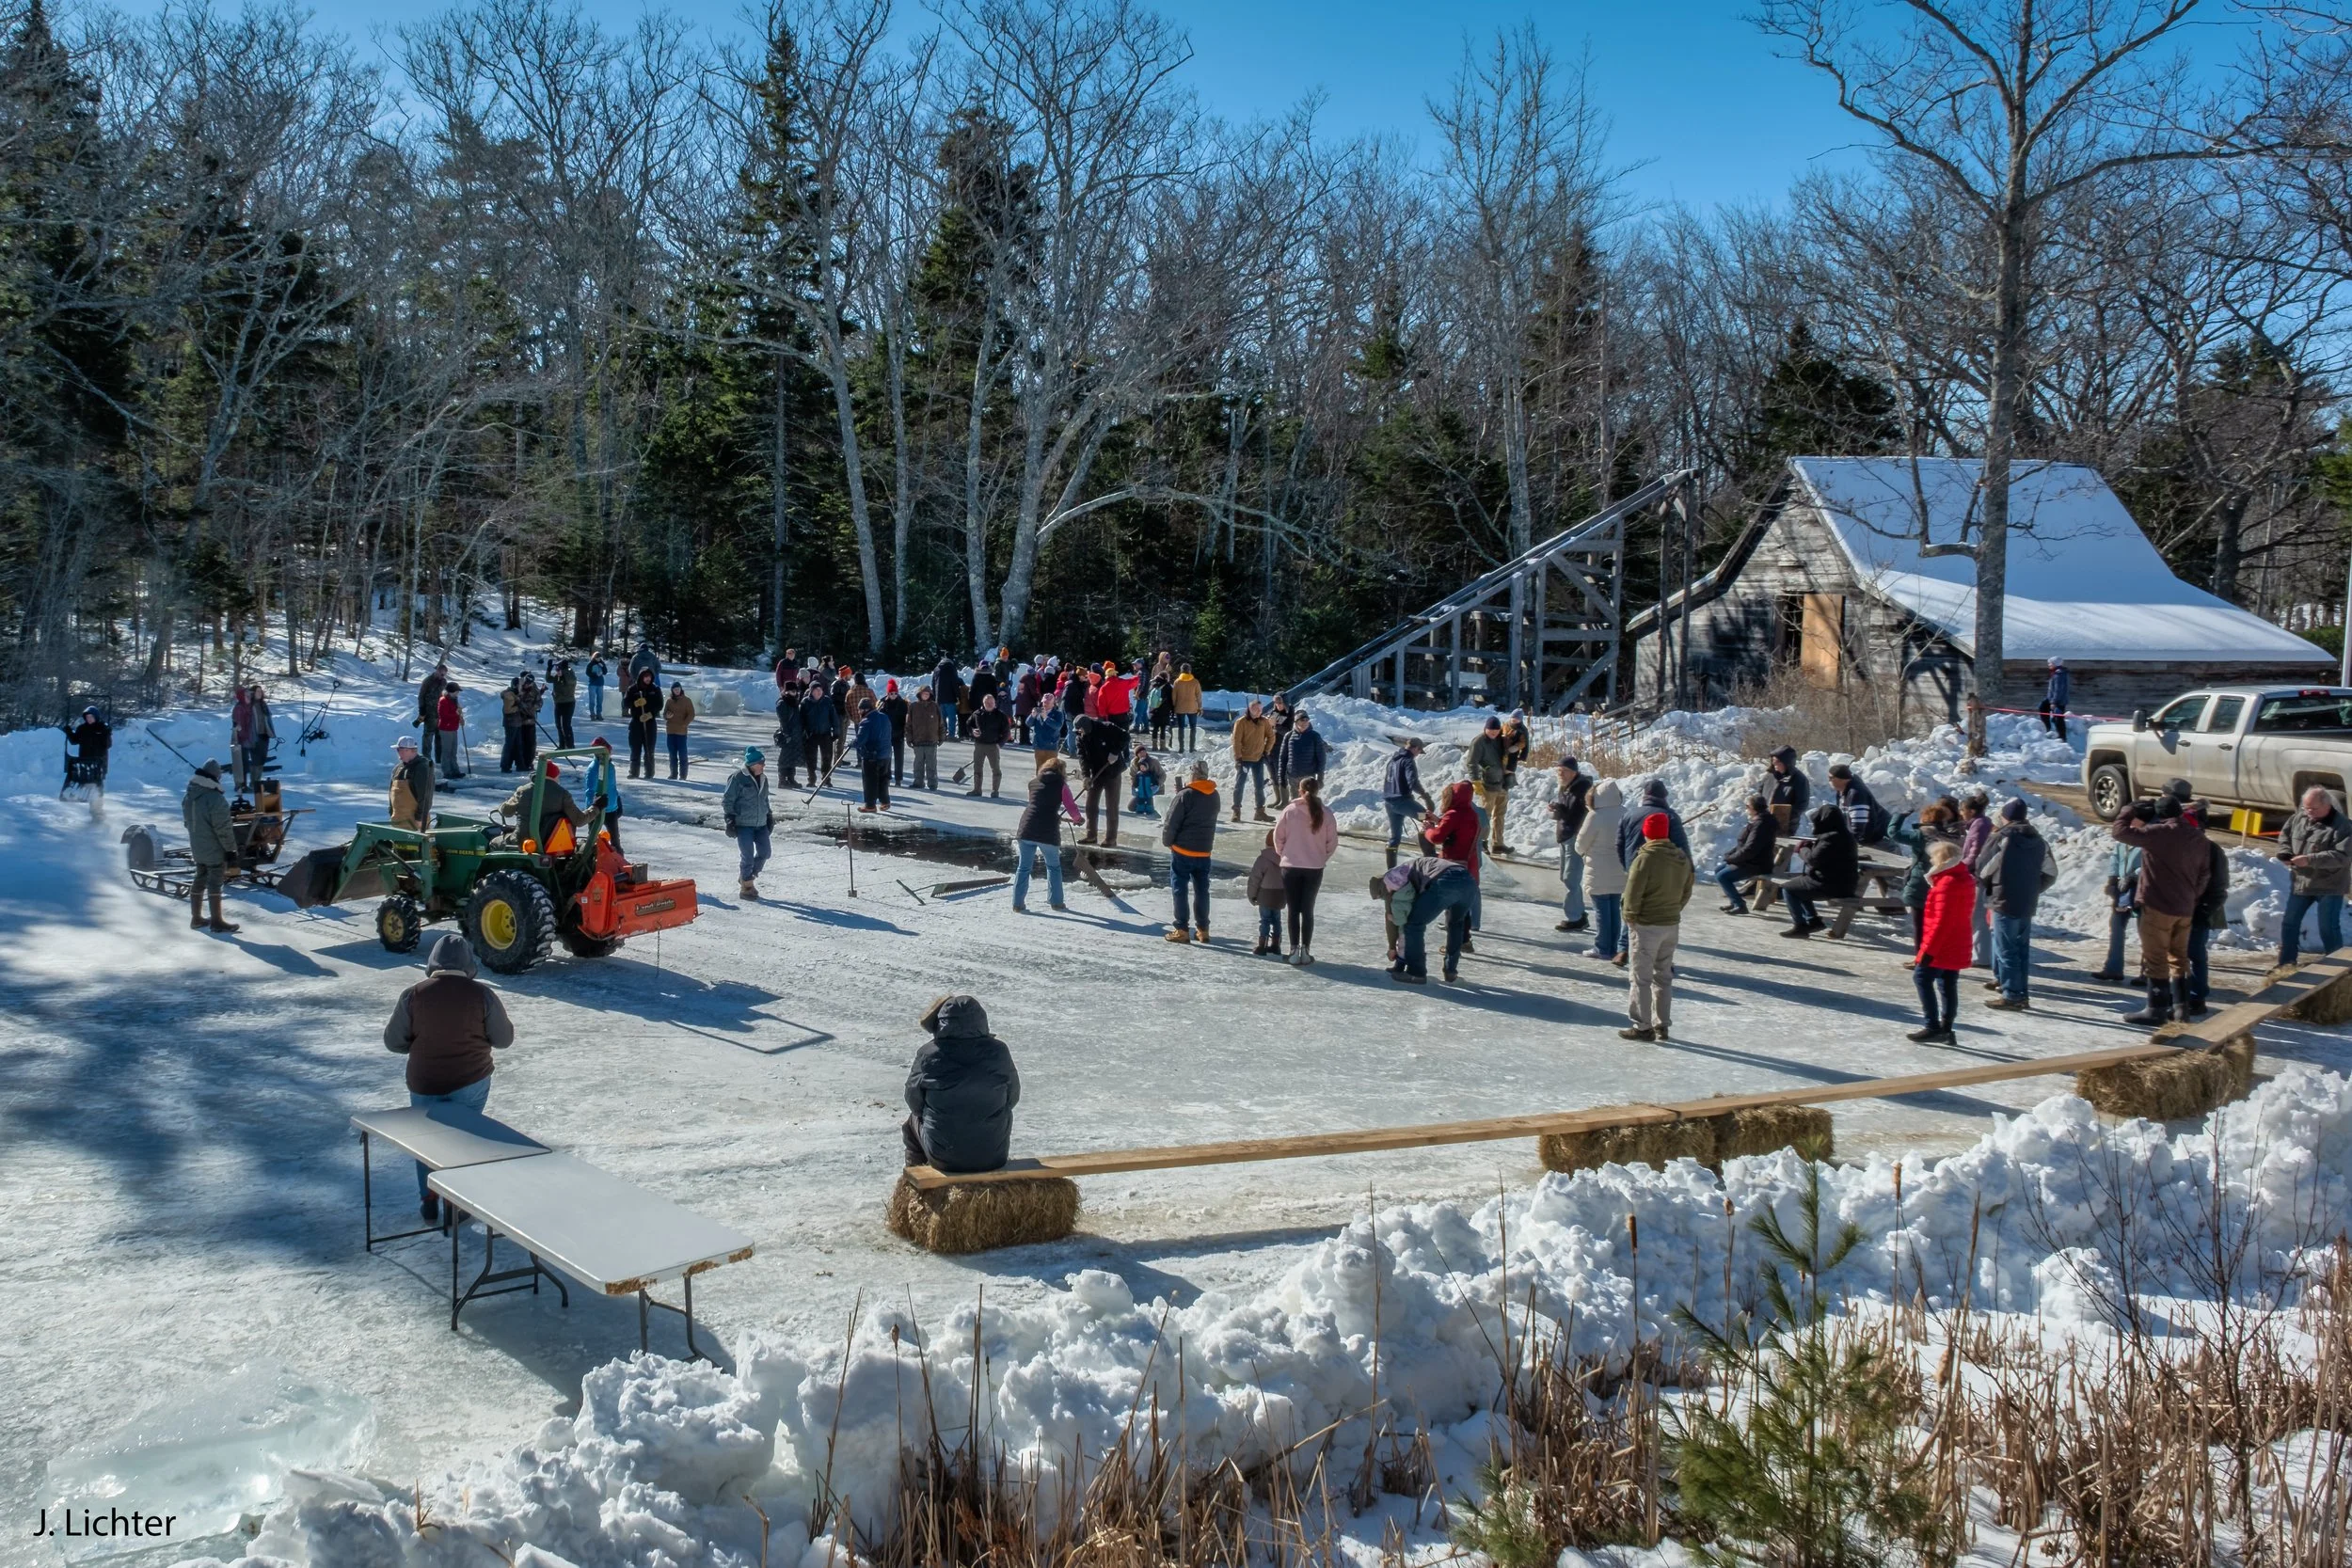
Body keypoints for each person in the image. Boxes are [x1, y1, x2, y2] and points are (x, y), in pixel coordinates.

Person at [384, 932, 516, 1221]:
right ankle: (458, 1204)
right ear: (469, 963)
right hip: (471, 1079)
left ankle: (428, 1199)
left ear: (432, 962)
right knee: (464, 1138)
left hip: (424, 1081)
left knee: (427, 1141)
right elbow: (504, 1039)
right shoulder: (482, 994)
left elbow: (394, 1042)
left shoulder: (414, 994)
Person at [2111, 794, 2211, 1028]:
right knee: (2179, 958)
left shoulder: (2158, 833)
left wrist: (2128, 810)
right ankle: (2181, 1009)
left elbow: (2119, 832)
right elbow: (2205, 874)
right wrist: (2192, 896)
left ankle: (2155, 1009)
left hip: (2157, 905)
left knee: (2156, 958)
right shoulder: (2199, 838)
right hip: (2185, 908)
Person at [901, 994, 1021, 1172]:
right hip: (994, 1157)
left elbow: (913, 1101)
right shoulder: (999, 1051)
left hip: (944, 1159)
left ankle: (917, 1183)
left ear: (942, 1022)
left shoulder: (928, 1054)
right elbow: (1012, 1098)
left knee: (911, 1123)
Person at [1975, 799, 2056, 1010]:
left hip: (2003, 899)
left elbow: (1983, 868)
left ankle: (2012, 995)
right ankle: (2018, 990)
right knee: (2019, 949)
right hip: (2026, 902)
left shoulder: (2001, 837)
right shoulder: (2038, 840)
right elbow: (2050, 872)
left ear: (2005, 817)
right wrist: (2031, 889)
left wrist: (1990, 886)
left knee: (2005, 948)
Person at [1620, 812, 1694, 1040]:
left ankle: (1642, 1026)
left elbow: (1633, 892)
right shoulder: (1681, 857)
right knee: (1663, 975)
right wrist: (1674, 909)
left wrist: (1630, 916)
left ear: (1646, 833)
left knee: (1641, 977)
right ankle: (1662, 1023)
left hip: (1647, 925)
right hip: (1671, 924)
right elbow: (1687, 889)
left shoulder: (1646, 858)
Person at [1910, 841, 1975, 1044]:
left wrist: (1928, 951)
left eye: (1933, 856)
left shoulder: (1947, 883)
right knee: (1948, 983)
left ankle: (1933, 1027)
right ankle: (1947, 1029)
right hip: (1957, 939)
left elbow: (1941, 921)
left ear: (1942, 858)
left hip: (1943, 943)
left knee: (1922, 978)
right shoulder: (1963, 877)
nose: (1930, 860)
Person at [2279, 784, 2350, 967]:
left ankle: (2336, 968)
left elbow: (2342, 857)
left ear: (2327, 806)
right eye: (2306, 808)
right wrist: (2285, 853)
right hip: (2301, 882)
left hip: (2330, 884)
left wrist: (2310, 860)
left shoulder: (2343, 826)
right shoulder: (2299, 817)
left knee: (2328, 928)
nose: (2308, 812)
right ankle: (2286, 963)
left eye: (2313, 809)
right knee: (2289, 923)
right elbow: (2285, 836)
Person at [1274, 776, 1339, 966]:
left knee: (1293, 909)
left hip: (1290, 866)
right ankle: (1306, 950)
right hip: (1314, 867)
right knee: (1307, 909)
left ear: (1299, 790)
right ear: (1318, 790)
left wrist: (1284, 854)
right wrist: (1320, 856)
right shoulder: (1326, 814)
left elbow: (1278, 837)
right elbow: (1332, 842)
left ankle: (1293, 950)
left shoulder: (1290, 811)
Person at [1384, 855, 1476, 985]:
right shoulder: (1415, 865)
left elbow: (1409, 894)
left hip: (1445, 881)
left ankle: (1416, 973)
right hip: (1469, 882)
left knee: (1413, 924)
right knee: (1456, 925)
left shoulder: (1403, 874)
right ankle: (1451, 971)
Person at [2180, 799, 2229, 1020]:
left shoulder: (2212, 850)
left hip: (2199, 910)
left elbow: (2219, 886)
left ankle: (2197, 997)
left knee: (2195, 953)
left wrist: (2205, 911)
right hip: (2177, 909)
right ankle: (2179, 994)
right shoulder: (2177, 847)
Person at [1888, 800, 1963, 945]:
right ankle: (1935, 956)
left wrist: (1900, 815)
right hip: (1942, 883)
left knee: (1920, 924)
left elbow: (1893, 833)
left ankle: (1921, 959)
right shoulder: (1950, 836)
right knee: (1936, 923)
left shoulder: (1922, 835)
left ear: (1926, 818)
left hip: (1920, 883)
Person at [1161, 759, 1220, 942]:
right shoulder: (1214, 795)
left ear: (1193, 774)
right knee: (1202, 890)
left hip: (1183, 851)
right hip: (1204, 851)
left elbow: (1171, 823)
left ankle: (1182, 928)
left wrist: (1167, 842)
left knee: (1180, 888)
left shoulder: (1185, 795)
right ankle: (1203, 929)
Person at [1013, 756, 1083, 911]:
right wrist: (1078, 819)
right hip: (1047, 830)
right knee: (1053, 867)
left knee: (1023, 868)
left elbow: (1037, 803)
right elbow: (1070, 806)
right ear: (1061, 770)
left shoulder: (1033, 782)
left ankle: (1017, 904)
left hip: (1026, 827)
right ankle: (1056, 902)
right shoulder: (1061, 785)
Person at [1781, 801, 1860, 938]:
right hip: (1845, 884)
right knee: (1800, 885)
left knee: (1788, 888)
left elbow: (1813, 860)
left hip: (1829, 884)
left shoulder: (1830, 838)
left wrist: (1802, 849)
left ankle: (1800, 926)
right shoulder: (1845, 835)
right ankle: (1813, 919)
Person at [182, 759, 241, 934]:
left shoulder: (189, 796)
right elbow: (223, 829)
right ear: (215, 776)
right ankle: (217, 922)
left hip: (197, 846)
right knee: (215, 881)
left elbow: (187, 823)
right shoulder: (215, 799)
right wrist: (231, 850)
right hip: (214, 848)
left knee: (200, 877)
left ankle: (196, 918)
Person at [1578, 779, 1627, 961]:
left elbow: (1581, 844)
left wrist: (1582, 851)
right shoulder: (1626, 813)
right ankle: (1614, 946)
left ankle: (1602, 947)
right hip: (1620, 869)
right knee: (1614, 908)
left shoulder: (1595, 816)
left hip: (1598, 869)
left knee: (1601, 910)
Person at [497, 757, 586, 847]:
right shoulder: (563, 794)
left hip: (523, 842)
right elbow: (579, 820)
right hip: (551, 843)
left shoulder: (524, 790)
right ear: (555, 776)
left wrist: (505, 804)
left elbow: (506, 812)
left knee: (493, 842)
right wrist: (596, 807)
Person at [1714, 795, 1779, 914]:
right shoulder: (1760, 820)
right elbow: (1744, 844)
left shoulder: (1761, 824)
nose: (1746, 809)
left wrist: (1733, 859)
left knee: (1722, 877)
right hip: (1750, 860)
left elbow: (1750, 849)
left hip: (1756, 864)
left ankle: (1740, 905)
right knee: (1719, 870)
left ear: (1753, 808)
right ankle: (1734, 901)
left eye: (1747, 806)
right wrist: (1731, 854)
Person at [723, 747, 773, 897]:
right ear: (752, 764)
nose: (763, 766)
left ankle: (748, 876)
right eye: (761, 763)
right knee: (748, 855)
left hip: (761, 823)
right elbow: (728, 799)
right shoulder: (738, 777)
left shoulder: (764, 778)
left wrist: (769, 815)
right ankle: (747, 887)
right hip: (743, 823)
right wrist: (730, 819)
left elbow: (765, 799)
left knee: (765, 853)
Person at [2092, 836, 2143, 985]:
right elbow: (2115, 859)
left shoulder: (2148, 838)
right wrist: (2112, 880)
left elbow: (2152, 862)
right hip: (2123, 891)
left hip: (2143, 889)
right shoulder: (2123, 840)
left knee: (2146, 932)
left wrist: (2135, 876)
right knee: (2116, 927)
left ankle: (2148, 973)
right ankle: (2113, 968)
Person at [1550, 754, 1593, 931]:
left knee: (1571, 878)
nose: (1561, 774)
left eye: (1565, 771)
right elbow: (1566, 810)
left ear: (1574, 772)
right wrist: (1557, 809)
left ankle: (1575, 917)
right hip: (1565, 836)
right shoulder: (1565, 787)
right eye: (1559, 771)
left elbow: (1578, 815)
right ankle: (1580, 913)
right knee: (1565, 877)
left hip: (1574, 837)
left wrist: (1560, 811)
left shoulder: (1581, 789)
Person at [1382, 738, 1436, 869]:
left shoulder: (1393, 760)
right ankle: (1430, 860)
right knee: (1427, 819)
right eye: (1419, 752)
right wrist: (1425, 796)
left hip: (1390, 804)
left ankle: (1391, 870)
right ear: (1416, 748)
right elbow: (1413, 781)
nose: (1418, 755)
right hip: (1404, 803)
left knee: (1395, 837)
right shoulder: (1408, 761)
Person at [1073, 711, 1127, 840]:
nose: (1079, 733)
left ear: (1087, 726)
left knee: (1111, 807)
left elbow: (1125, 737)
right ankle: (1091, 835)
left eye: (1080, 730)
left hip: (1112, 771)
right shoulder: (1080, 738)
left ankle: (1111, 839)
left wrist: (1115, 752)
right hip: (1096, 773)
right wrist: (1086, 776)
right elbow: (1082, 757)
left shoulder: (1106, 727)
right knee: (1090, 805)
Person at [1466, 717, 1511, 854]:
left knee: (1500, 814)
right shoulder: (1479, 742)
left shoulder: (1501, 740)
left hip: (1502, 783)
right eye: (1490, 730)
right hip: (1488, 784)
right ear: (1485, 729)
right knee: (1485, 815)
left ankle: (1498, 843)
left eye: (1496, 730)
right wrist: (1476, 781)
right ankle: (1482, 842)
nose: (1493, 732)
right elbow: (1471, 762)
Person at [1231, 698, 1277, 821]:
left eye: (1260, 709)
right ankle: (1236, 811)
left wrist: (1266, 751)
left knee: (1259, 786)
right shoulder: (1241, 722)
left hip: (1258, 758)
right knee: (1239, 785)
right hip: (1244, 759)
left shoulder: (1264, 722)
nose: (1258, 712)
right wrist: (1238, 757)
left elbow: (1271, 737)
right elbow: (1236, 741)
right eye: (1256, 709)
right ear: (1250, 709)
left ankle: (1260, 812)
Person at [1248, 830, 1288, 956]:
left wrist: (1252, 895)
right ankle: (1276, 945)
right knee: (1276, 920)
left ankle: (1262, 945)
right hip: (1280, 895)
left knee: (1264, 920)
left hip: (1264, 895)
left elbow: (1254, 879)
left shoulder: (1262, 859)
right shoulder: (1286, 860)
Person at [66, 705, 111, 816]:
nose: (89, 719)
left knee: (97, 786)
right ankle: (94, 810)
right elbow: (74, 741)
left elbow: (107, 745)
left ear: (96, 717)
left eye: (91, 717)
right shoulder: (82, 728)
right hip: (85, 762)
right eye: (87, 717)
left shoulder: (102, 728)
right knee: (88, 785)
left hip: (99, 763)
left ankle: (97, 811)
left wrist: (107, 734)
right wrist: (68, 731)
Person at [1826, 764, 1885, 845]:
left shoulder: (1856, 793)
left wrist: (1850, 843)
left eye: (1830, 778)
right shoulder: (1841, 790)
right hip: (1866, 839)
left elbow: (1858, 825)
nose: (1828, 781)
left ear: (1841, 779)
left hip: (1878, 840)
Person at [584, 736, 625, 854]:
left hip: (611, 807)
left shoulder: (610, 766)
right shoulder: (593, 768)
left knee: (615, 840)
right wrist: (592, 806)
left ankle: (619, 860)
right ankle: (591, 858)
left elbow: (612, 786)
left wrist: (617, 800)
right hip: (597, 808)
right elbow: (590, 790)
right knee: (593, 839)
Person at [968, 693, 1011, 798]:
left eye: (991, 702)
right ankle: (977, 790)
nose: (989, 704)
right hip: (979, 745)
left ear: (995, 703)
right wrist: (972, 731)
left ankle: (995, 791)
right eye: (987, 702)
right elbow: (968, 724)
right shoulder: (977, 714)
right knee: (977, 768)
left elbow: (1006, 732)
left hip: (993, 746)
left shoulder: (1000, 715)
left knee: (996, 769)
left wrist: (1000, 744)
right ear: (983, 703)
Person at [854, 699, 893, 813]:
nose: (859, 712)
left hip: (871, 756)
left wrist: (852, 743)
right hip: (886, 755)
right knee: (883, 779)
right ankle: (885, 801)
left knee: (870, 781)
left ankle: (870, 805)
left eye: (859, 710)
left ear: (864, 709)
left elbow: (860, 740)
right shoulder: (884, 717)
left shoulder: (866, 722)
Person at [1278, 708, 1327, 796]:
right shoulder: (1288, 736)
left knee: (1309, 804)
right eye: (1302, 720)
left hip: (1308, 778)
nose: (1305, 722)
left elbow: (1321, 758)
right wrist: (1281, 777)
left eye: (1306, 720)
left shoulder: (1315, 736)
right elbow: (1283, 758)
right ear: (1296, 722)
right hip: (1292, 777)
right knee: (1295, 805)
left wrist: (1320, 778)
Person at [389, 736, 435, 830]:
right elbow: (391, 793)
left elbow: (425, 796)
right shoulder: (398, 768)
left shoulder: (422, 768)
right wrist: (391, 811)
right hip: (398, 820)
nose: (398, 752)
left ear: (409, 750)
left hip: (415, 822)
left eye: (399, 749)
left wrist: (420, 817)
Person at [799, 678, 837, 786]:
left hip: (825, 734)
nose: (819, 692)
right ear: (811, 691)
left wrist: (836, 731)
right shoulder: (805, 702)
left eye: (820, 689)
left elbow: (834, 717)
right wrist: (802, 734)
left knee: (827, 757)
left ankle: (826, 778)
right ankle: (811, 779)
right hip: (811, 734)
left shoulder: (827, 701)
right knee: (811, 758)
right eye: (816, 690)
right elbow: (801, 720)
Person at [624, 670, 661, 780]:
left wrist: (651, 714)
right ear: (641, 677)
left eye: (649, 677)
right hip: (636, 722)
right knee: (635, 748)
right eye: (646, 677)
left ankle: (649, 772)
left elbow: (659, 705)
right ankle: (634, 772)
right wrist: (635, 703)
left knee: (649, 749)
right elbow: (625, 703)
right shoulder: (633, 689)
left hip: (649, 723)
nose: (648, 679)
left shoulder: (655, 689)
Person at [907, 686, 945, 790]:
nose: (926, 695)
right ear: (920, 694)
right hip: (918, 740)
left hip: (931, 740)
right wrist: (909, 738)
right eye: (924, 694)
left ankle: (932, 783)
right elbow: (909, 724)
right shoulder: (913, 707)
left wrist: (942, 737)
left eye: (927, 694)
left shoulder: (935, 706)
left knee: (931, 764)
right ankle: (918, 782)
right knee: (918, 764)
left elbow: (941, 723)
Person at [241, 685, 274, 794]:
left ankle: (258, 781)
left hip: (264, 734)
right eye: (257, 691)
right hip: (254, 735)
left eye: (260, 691)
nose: (259, 693)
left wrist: (271, 731)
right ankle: (253, 782)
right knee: (255, 759)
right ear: (253, 693)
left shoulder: (263, 705)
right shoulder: (250, 705)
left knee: (262, 759)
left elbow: (268, 720)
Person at [1764, 746, 1808, 829]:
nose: (1774, 764)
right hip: (1765, 821)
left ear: (1787, 763)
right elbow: (1761, 794)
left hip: (1785, 824)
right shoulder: (1770, 776)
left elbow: (1802, 804)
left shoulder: (1799, 779)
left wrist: (1784, 815)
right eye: (1773, 761)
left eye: (1777, 761)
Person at [662, 682, 695, 779]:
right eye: (675, 689)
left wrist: (685, 724)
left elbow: (691, 714)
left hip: (681, 731)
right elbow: (664, 714)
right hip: (670, 731)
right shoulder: (669, 701)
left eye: (678, 689)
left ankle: (683, 775)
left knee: (683, 754)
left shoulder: (687, 700)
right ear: (672, 691)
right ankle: (673, 774)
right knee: (672, 754)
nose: (677, 691)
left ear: (681, 689)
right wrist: (667, 716)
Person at [1267, 691, 1295, 800]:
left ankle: (1284, 800)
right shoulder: (1273, 713)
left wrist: (1276, 726)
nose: (1278, 705)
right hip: (1270, 748)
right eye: (1276, 703)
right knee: (1273, 775)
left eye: (1280, 703)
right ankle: (1278, 799)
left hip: (1281, 748)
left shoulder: (1290, 714)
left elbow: (1288, 732)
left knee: (1281, 775)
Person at [882, 680, 911, 785]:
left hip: (899, 734)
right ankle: (887, 777)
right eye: (891, 693)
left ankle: (898, 778)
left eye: (895, 693)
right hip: (886, 735)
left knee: (899, 758)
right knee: (886, 757)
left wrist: (905, 732)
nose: (893, 695)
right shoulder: (882, 703)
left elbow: (907, 720)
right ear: (888, 694)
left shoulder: (903, 704)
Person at [436, 684, 467, 780]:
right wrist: (456, 715)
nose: (458, 693)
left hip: (453, 728)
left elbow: (457, 713)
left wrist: (460, 718)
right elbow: (443, 715)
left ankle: (455, 770)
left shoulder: (455, 700)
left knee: (453, 751)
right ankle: (447, 771)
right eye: (456, 691)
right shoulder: (443, 700)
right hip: (446, 729)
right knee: (447, 751)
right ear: (451, 691)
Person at [931, 654, 965, 740]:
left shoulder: (937, 669)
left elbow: (933, 684)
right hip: (950, 698)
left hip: (939, 698)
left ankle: (942, 735)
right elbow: (954, 683)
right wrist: (958, 696)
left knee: (942, 718)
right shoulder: (951, 668)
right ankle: (951, 735)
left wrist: (935, 697)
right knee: (952, 718)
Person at [230, 685, 256, 793]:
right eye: (246, 695)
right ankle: (241, 786)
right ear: (241, 697)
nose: (249, 696)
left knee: (244, 763)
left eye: (249, 695)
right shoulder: (240, 708)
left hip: (247, 739)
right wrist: (246, 738)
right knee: (241, 764)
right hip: (240, 740)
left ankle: (243, 785)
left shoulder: (247, 706)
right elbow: (240, 726)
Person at [1170, 664, 1202, 751]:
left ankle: (1181, 747)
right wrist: (1200, 707)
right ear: (1190, 670)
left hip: (1180, 707)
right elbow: (1199, 696)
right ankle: (1192, 747)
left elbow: (1174, 696)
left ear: (1181, 671)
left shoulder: (1177, 682)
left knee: (1181, 727)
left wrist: (1174, 705)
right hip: (1192, 707)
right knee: (1193, 727)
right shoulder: (1195, 682)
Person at [515, 670, 542, 768]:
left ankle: (529, 762)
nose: (527, 685)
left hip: (530, 721)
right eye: (526, 683)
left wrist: (531, 709)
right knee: (520, 743)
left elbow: (539, 703)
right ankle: (520, 764)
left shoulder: (535, 691)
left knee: (530, 743)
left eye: (529, 684)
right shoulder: (518, 687)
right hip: (519, 720)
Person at [1128, 745, 1166, 817]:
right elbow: (1132, 776)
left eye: (1144, 751)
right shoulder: (1134, 763)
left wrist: (1157, 785)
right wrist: (1134, 787)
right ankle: (1143, 807)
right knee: (1131, 807)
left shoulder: (1153, 761)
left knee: (1154, 808)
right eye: (1140, 752)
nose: (1142, 753)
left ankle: (1150, 807)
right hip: (1142, 791)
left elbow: (1162, 775)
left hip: (1154, 790)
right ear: (1137, 754)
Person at [2040, 657, 2070, 741]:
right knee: (2042, 707)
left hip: (2059, 701)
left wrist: (2054, 702)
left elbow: (2058, 690)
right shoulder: (2056, 673)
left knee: (2058, 718)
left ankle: (2062, 737)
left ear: (2055, 664)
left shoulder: (2059, 675)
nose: (2049, 665)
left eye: (2050, 663)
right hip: (2051, 698)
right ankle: (2048, 729)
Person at [1028, 700, 1068, 765]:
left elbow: (1058, 726)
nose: (1045, 704)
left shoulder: (1058, 714)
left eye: (1047, 702)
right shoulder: (1038, 712)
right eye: (1044, 702)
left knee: (1051, 768)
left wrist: (1046, 718)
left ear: (1053, 704)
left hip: (1051, 746)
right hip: (1039, 745)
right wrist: (1032, 716)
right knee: (1039, 769)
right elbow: (1028, 723)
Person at [550, 659, 578, 749]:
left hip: (568, 703)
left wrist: (564, 672)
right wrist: (548, 669)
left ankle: (570, 745)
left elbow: (570, 681)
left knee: (566, 725)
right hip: (558, 702)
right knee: (558, 725)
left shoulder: (570, 674)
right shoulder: (558, 676)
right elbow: (549, 679)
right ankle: (561, 745)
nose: (557, 670)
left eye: (558, 668)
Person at [418, 663, 449, 729]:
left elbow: (445, 695)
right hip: (429, 711)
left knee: (439, 734)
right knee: (428, 733)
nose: (442, 676)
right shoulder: (428, 681)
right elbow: (421, 696)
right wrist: (422, 709)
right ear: (437, 671)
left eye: (444, 675)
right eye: (441, 674)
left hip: (439, 711)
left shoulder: (444, 682)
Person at [586, 654, 608, 721]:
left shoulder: (602, 663)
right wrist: (595, 675)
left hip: (600, 683)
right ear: (594, 657)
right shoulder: (591, 664)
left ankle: (599, 713)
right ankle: (592, 713)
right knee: (592, 700)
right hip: (592, 684)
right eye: (597, 658)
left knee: (600, 700)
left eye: (599, 658)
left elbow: (605, 672)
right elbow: (587, 673)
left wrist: (603, 667)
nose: (598, 659)